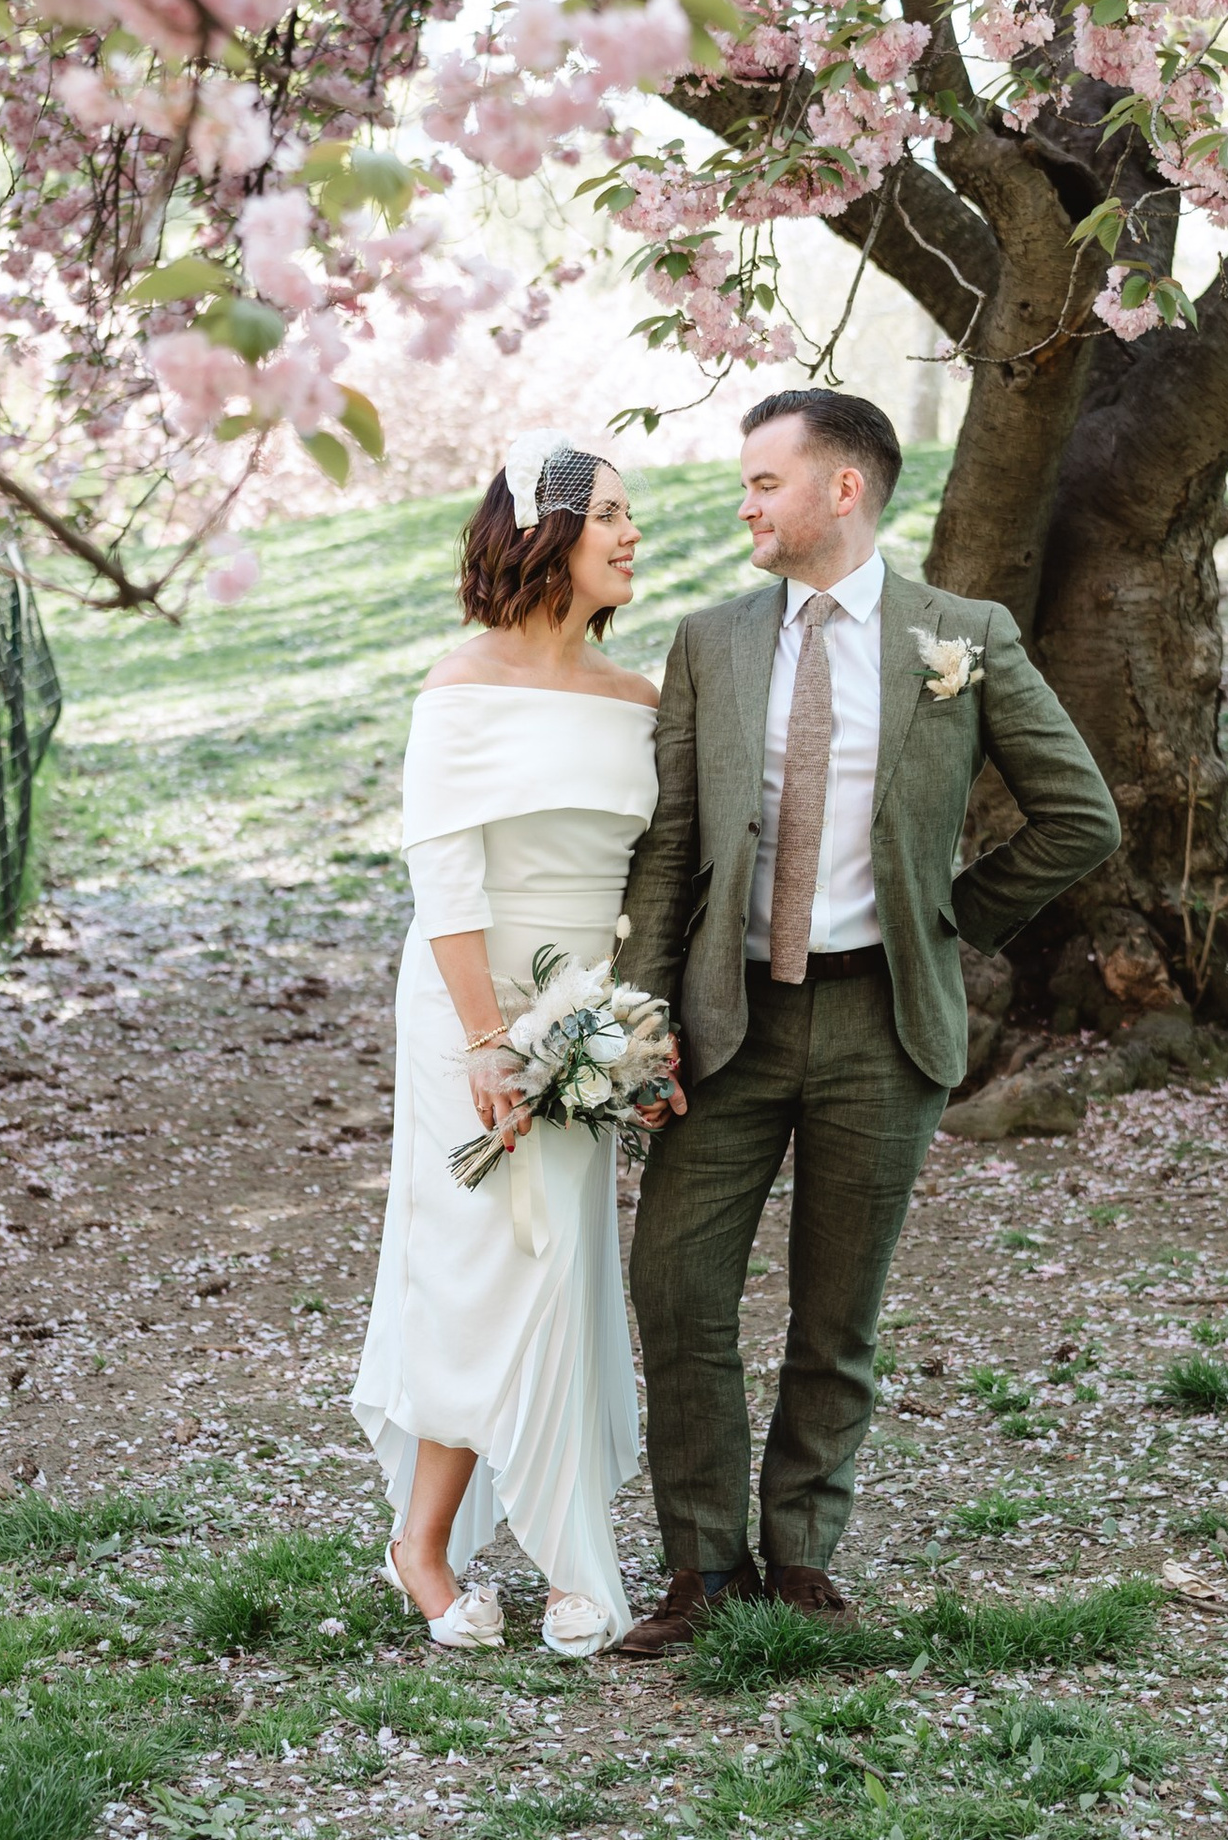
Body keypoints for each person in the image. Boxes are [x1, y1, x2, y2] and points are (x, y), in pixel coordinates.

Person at [611, 389, 1120, 1657]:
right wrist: (643, 1014)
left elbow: (1079, 816)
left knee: (836, 1314)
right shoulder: (711, 641)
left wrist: (947, 924)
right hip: (727, 1020)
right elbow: (672, 848)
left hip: (882, 1023)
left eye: (763, 483)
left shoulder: (963, 636)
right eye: (742, 483)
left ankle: (799, 1559)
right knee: (674, 1288)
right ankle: (699, 1571)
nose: (744, 504)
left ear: (844, 490)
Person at [351, 430, 660, 1659]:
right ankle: (421, 1550)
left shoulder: (639, 698)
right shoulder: (460, 682)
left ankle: (567, 1550)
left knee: (564, 1274)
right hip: (468, 1014)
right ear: (548, 536)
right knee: (481, 1270)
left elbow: (652, 871)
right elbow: (445, 873)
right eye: (613, 519)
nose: (634, 537)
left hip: (589, 1017)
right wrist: (488, 1039)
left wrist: (626, 1030)